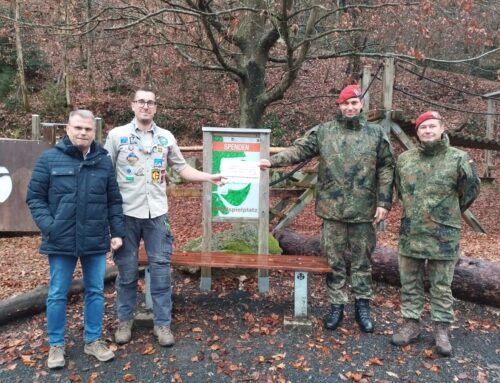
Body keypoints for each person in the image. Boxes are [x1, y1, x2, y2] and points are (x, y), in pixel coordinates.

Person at [259, 84, 395, 333]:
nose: (350, 107)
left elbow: (387, 167)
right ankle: (336, 305)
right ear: (339, 107)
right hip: (331, 210)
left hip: (364, 211)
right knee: (333, 261)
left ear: (361, 105)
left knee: (362, 261)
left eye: (354, 103)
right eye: (345, 104)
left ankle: (362, 306)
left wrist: (384, 202)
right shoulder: (324, 132)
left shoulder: (375, 134)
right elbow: (300, 149)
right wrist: (273, 160)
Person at [104, 89, 226, 347]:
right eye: (141, 102)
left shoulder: (165, 137)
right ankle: (124, 321)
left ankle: (162, 324)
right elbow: (105, 172)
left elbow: (181, 168)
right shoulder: (117, 136)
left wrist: (209, 177)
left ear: (156, 108)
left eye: (150, 103)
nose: (146, 106)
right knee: (126, 272)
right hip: (125, 214)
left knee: (160, 271)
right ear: (133, 105)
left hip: (157, 215)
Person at [26, 110, 125, 369]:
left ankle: (93, 341)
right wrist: (50, 227)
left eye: (88, 129)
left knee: (95, 291)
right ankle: (56, 346)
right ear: (68, 129)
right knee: (58, 293)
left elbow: (114, 201)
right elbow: (35, 197)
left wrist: (117, 232)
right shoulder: (49, 159)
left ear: (95, 132)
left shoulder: (103, 161)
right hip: (61, 240)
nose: (83, 133)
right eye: (78, 128)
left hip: (94, 238)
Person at [391, 111, 480, 356]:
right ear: (417, 132)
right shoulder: (405, 159)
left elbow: (471, 189)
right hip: (411, 232)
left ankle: (441, 328)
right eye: (423, 128)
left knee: (441, 285)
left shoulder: (458, 158)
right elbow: (399, 188)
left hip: (444, 236)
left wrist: (449, 212)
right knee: (410, 283)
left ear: (442, 128)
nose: (427, 131)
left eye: (432, 126)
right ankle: (411, 323)